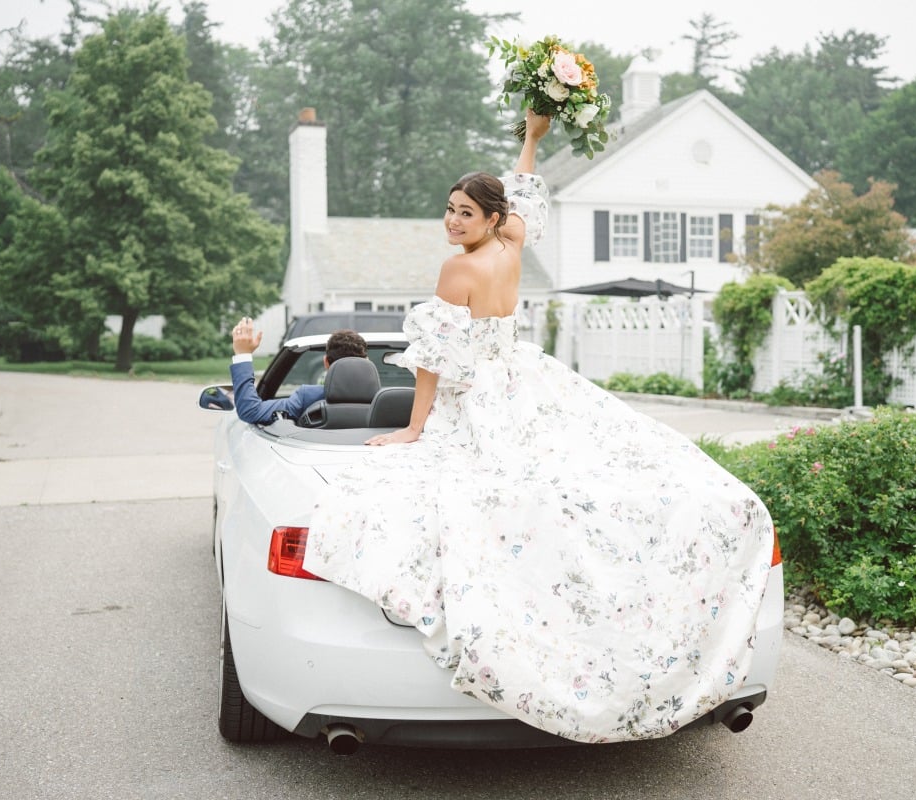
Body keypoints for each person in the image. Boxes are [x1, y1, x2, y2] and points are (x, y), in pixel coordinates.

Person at [302, 110, 776, 743]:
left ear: (488, 220)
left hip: (481, 394)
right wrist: (531, 140)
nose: (451, 221)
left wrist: (413, 432)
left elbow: (434, 366)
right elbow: (522, 188)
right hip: (522, 377)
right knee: (588, 463)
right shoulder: (511, 242)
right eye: (448, 209)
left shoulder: (457, 270)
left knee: (462, 487)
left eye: (465, 213)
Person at [229, 319, 367, 424]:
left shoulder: (308, 397)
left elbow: (251, 411)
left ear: (326, 362)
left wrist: (243, 354)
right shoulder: (384, 401)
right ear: (366, 362)